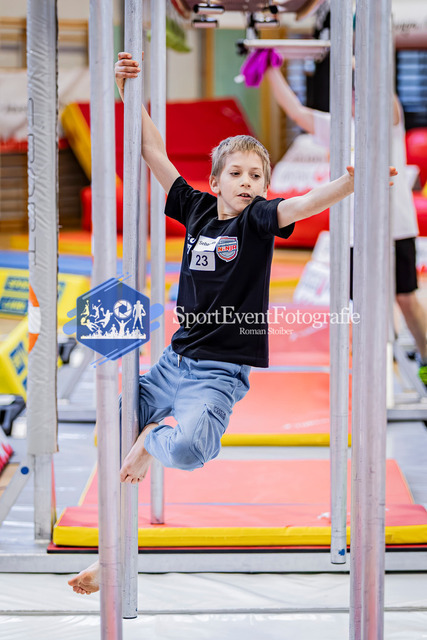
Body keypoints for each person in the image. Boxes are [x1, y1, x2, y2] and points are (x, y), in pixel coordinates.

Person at [68, 52, 396, 595]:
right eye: (237, 174)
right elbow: (153, 152)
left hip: (218, 374)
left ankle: (152, 440)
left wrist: (348, 184)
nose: (247, 182)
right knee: (109, 432)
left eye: (256, 176)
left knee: (189, 449)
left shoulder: (259, 220)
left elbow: (304, 204)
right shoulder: (195, 209)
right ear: (215, 180)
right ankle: (111, 555)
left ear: (264, 187)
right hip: (171, 364)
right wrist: (129, 89)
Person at [265, 64, 427, 382]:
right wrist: (270, 68)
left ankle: (424, 359)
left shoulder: (388, 122)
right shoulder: (338, 127)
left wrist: (362, 58)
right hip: (356, 233)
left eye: (361, 91)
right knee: (359, 303)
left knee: (406, 298)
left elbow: (386, 93)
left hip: (395, 228)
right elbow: (295, 110)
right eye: (352, 92)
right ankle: (366, 370)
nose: (356, 98)